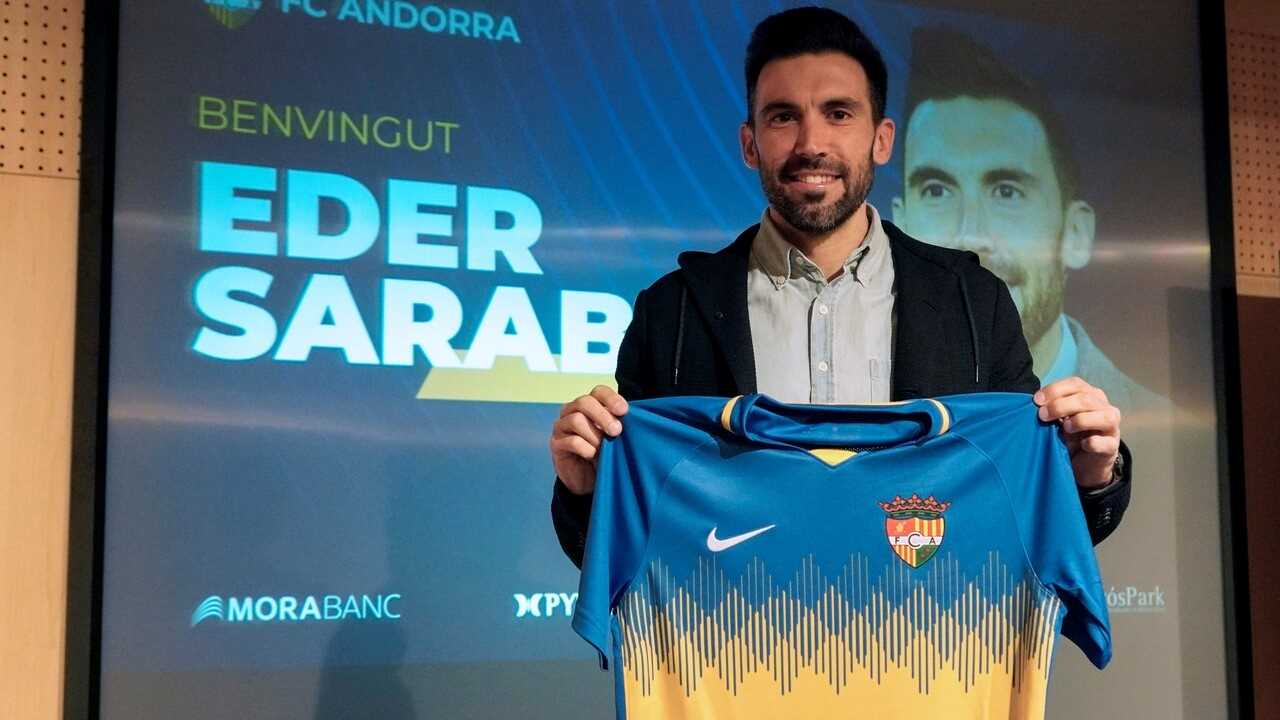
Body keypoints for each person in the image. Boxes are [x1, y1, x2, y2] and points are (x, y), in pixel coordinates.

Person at [549, 7, 1131, 569]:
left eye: (838, 113)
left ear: (882, 139)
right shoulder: (671, 312)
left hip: (926, 631)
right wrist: (584, 490)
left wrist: (1092, 477)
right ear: (750, 143)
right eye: (783, 116)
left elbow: (1027, 514)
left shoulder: (975, 302)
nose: (811, 143)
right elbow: (630, 544)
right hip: (737, 633)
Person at [891, 26, 1168, 422]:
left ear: (1075, 234)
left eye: (1007, 192)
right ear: (900, 221)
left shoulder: (1154, 422)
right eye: (937, 191)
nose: (971, 235)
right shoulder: (862, 410)